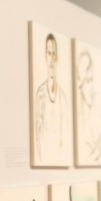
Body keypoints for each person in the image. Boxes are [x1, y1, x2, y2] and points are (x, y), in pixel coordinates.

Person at [34, 33, 69, 163]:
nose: (52, 59)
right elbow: (37, 136)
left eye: (54, 54)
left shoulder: (63, 99)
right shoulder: (40, 94)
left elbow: (64, 140)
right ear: (45, 57)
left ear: (57, 58)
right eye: (49, 53)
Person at [75, 49, 101, 164]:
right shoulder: (76, 116)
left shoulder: (97, 116)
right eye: (87, 81)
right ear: (80, 84)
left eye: (91, 80)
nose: (91, 88)